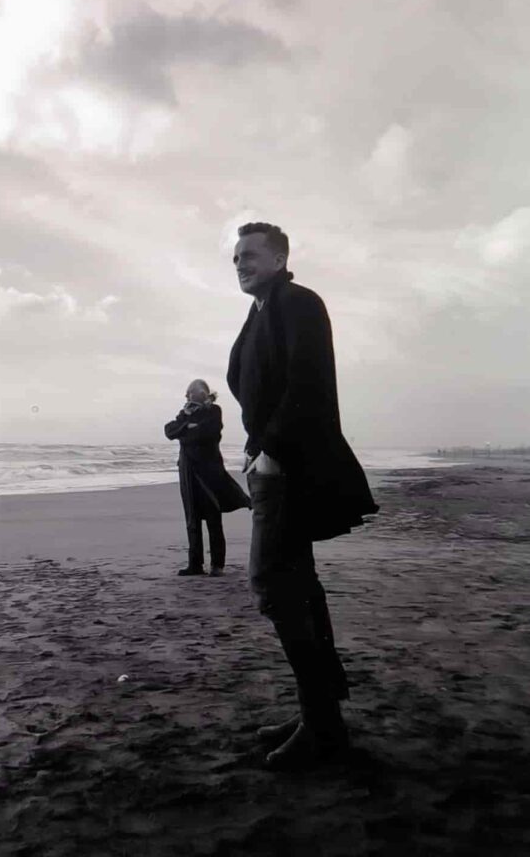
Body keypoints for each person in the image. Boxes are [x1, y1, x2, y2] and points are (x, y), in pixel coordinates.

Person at [227, 222, 378, 769]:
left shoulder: (298, 302)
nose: (240, 264)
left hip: (291, 467)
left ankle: (322, 725)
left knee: (273, 587)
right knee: (298, 588)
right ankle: (320, 715)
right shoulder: (261, 311)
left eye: (250, 255)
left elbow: (306, 383)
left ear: (279, 258)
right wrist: (254, 446)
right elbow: (260, 389)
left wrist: (270, 448)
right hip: (273, 462)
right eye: (235, 257)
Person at [164, 379, 250, 577]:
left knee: (213, 517)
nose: (186, 396)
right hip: (188, 471)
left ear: (201, 393)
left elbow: (207, 433)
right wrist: (188, 425)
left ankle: (217, 565)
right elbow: (169, 431)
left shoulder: (214, 411)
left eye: (189, 392)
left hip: (208, 471)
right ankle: (195, 564)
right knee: (192, 519)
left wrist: (185, 431)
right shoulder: (185, 412)